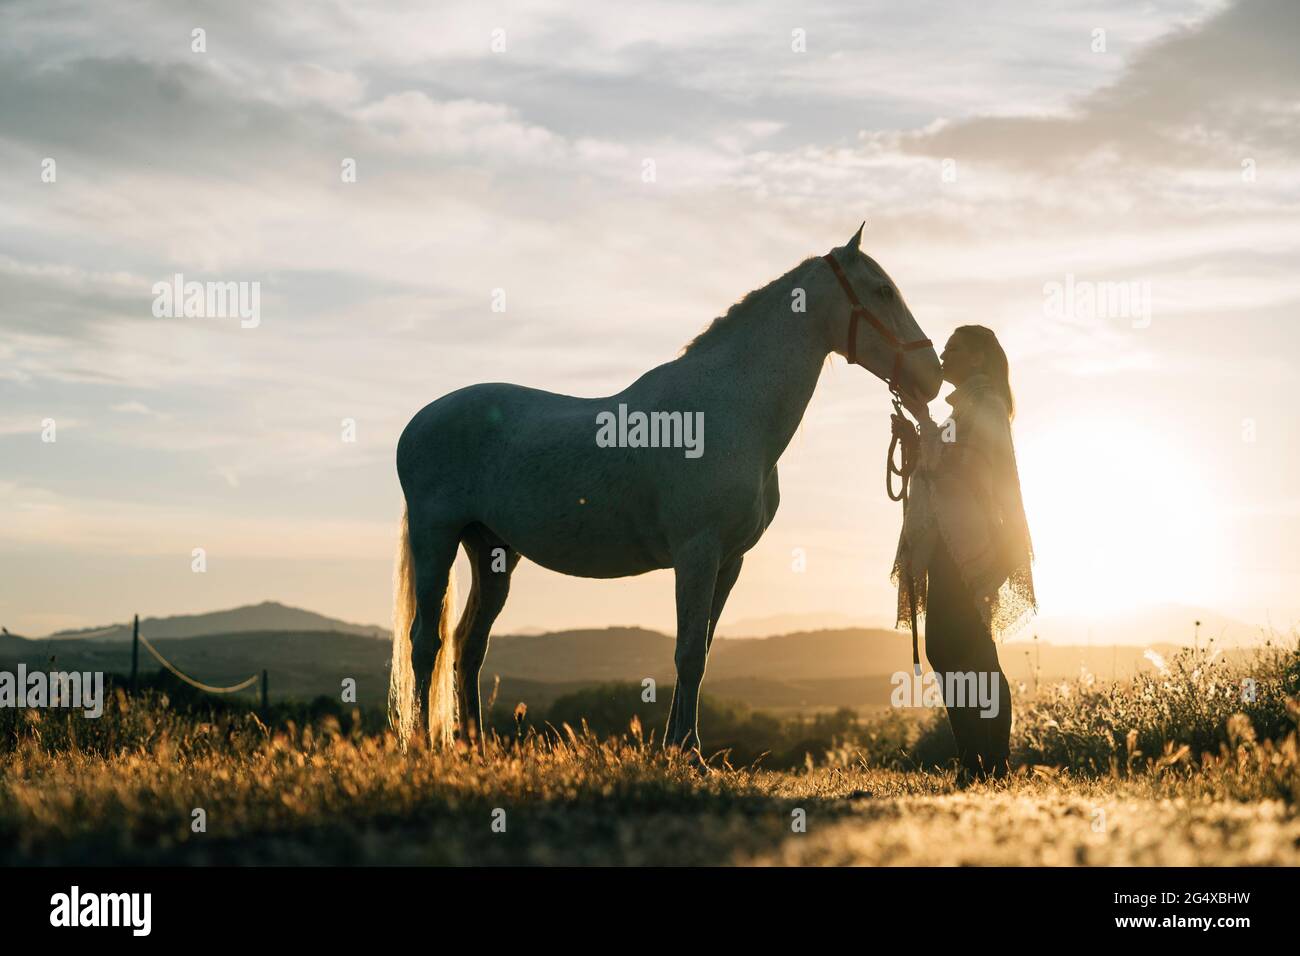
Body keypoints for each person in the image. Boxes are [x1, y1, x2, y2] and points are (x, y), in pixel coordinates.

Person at [891, 325, 1037, 783]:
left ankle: (987, 763)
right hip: (954, 541)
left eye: (953, 348)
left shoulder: (984, 405)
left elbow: (963, 468)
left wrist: (923, 423)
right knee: (959, 650)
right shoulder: (970, 407)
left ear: (976, 358)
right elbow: (943, 463)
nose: (944, 353)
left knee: (967, 652)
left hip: (969, 543)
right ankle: (978, 762)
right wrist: (919, 434)